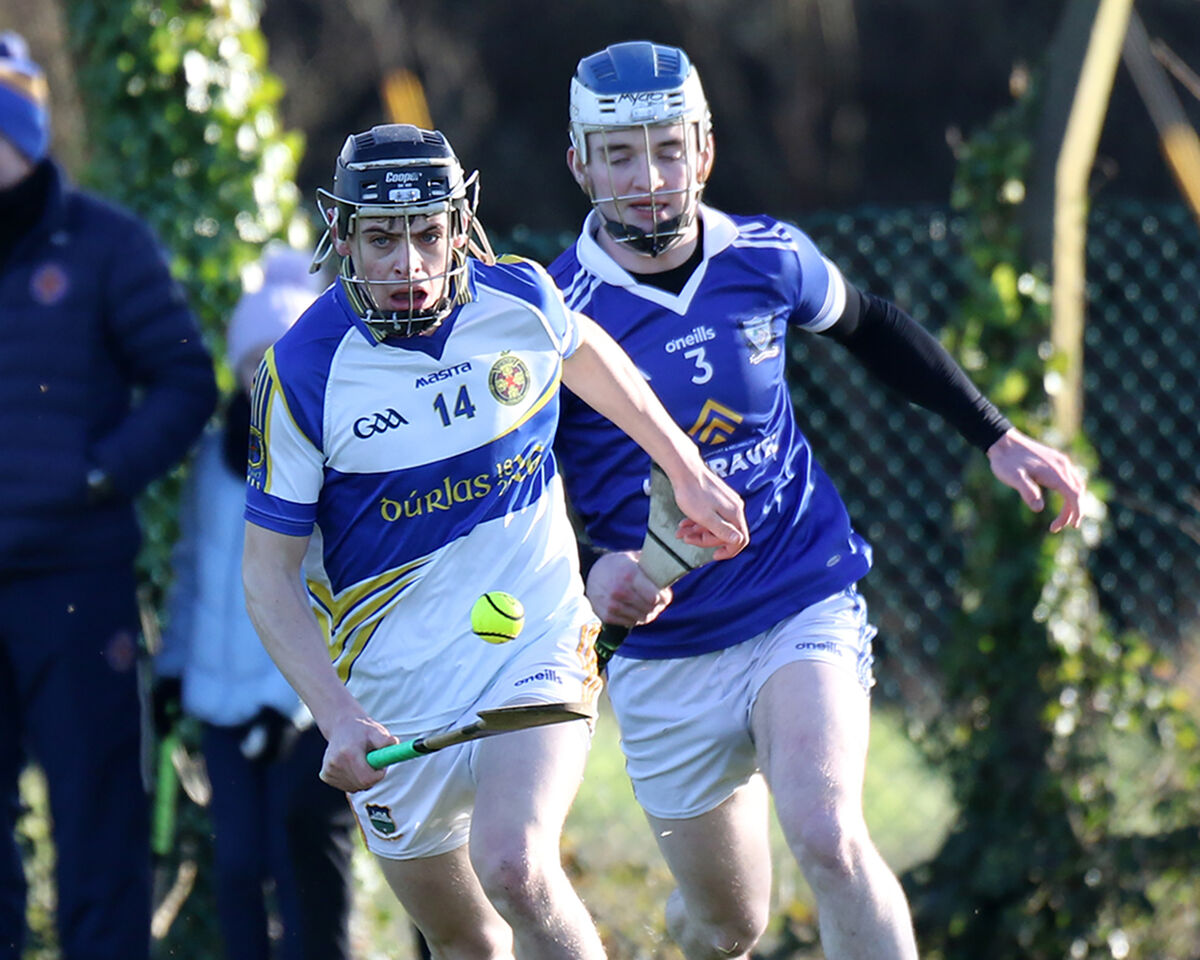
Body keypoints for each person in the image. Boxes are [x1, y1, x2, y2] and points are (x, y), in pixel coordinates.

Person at [550, 41, 1087, 960]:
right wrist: (591, 567)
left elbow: (873, 324)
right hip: (666, 648)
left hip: (800, 593)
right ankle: (687, 923)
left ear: (705, 151)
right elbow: (516, 485)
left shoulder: (765, 257)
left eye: (669, 148)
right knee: (728, 925)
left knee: (831, 837)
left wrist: (996, 433)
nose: (647, 176)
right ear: (580, 164)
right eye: (620, 152)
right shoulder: (552, 311)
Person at [240, 122, 748, 960]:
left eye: (426, 235)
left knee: (513, 865)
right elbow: (267, 578)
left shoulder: (519, 300)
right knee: (463, 938)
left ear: (459, 226)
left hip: (532, 638)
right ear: (342, 236)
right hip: (390, 697)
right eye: (380, 239)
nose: (407, 265)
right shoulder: (302, 371)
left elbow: (589, 357)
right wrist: (335, 716)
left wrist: (683, 464)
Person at [0, 31, 217, 960]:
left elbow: (184, 382)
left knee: (98, 825)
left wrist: (96, 475)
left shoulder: (104, 245)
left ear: (23, 127)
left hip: (76, 586)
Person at [154, 245, 355, 960]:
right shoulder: (211, 464)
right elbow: (194, 577)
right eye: (251, 361)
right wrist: (173, 671)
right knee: (237, 864)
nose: (263, 377)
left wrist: (294, 704)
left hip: (302, 709)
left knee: (300, 857)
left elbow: (329, 592)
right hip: (219, 702)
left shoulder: (332, 458)